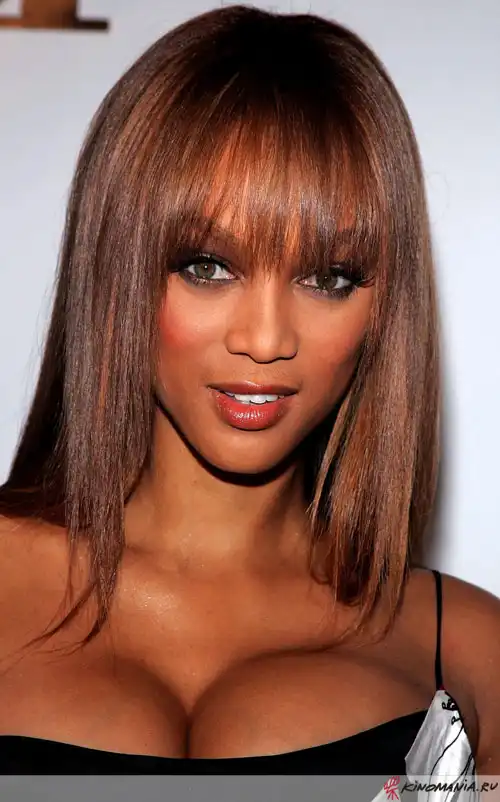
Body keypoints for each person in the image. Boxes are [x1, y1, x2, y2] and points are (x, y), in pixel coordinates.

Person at [0, 2, 498, 785]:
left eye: (329, 278)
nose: (266, 340)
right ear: (118, 267)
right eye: (208, 266)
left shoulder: (471, 653)